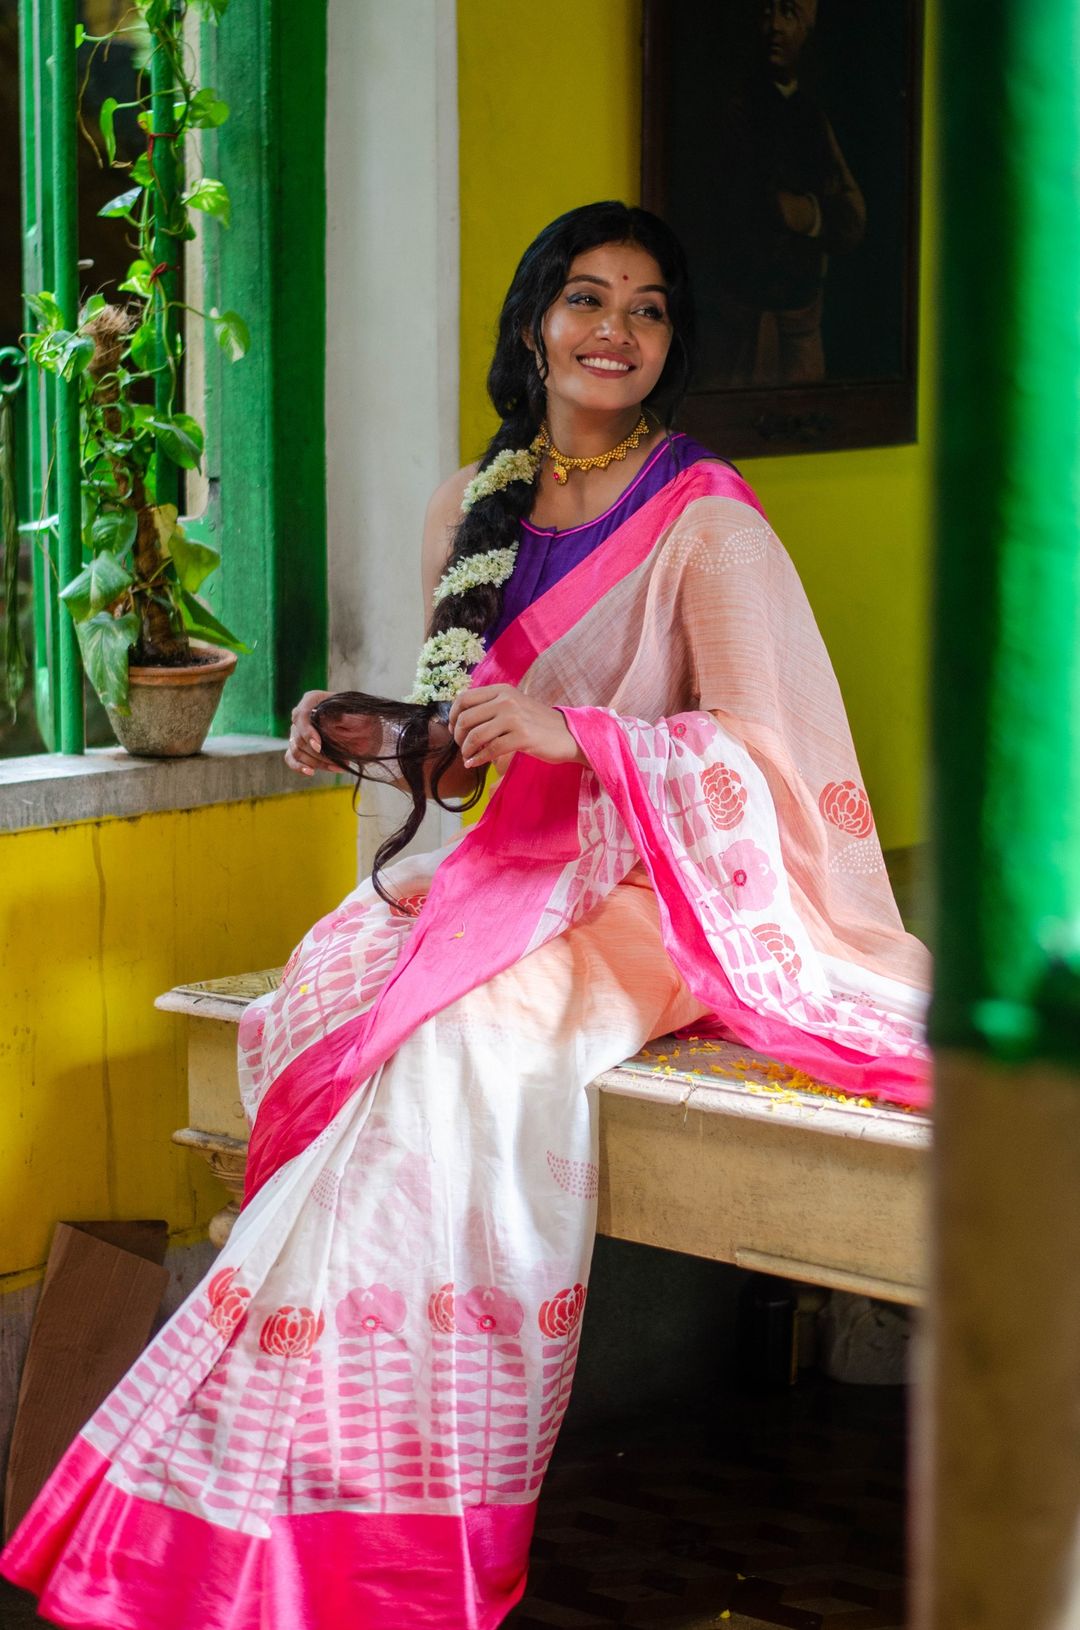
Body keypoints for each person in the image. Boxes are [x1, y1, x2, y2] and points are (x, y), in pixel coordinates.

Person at [1, 201, 929, 1630]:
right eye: (586, 298)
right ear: (533, 321)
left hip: (651, 889)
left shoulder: (704, 518)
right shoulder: (469, 506)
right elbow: (469, 745)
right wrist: (370, 734)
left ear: (671, 342)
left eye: (649, 307)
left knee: (454, 1060)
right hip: (506, 869)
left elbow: (765, 753)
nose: (614, 330)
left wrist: (580, 740)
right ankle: (248, 1480)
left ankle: (384, 1519)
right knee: (321, 996)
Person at [693, 0, 866, 388]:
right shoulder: (729, 109)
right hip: (735, 334)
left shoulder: (814, 117)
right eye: (765, 12)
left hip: (800, 327)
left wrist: (810, 215)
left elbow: (852, 219)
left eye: (788, 13)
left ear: (806, 29)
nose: (775, 26)